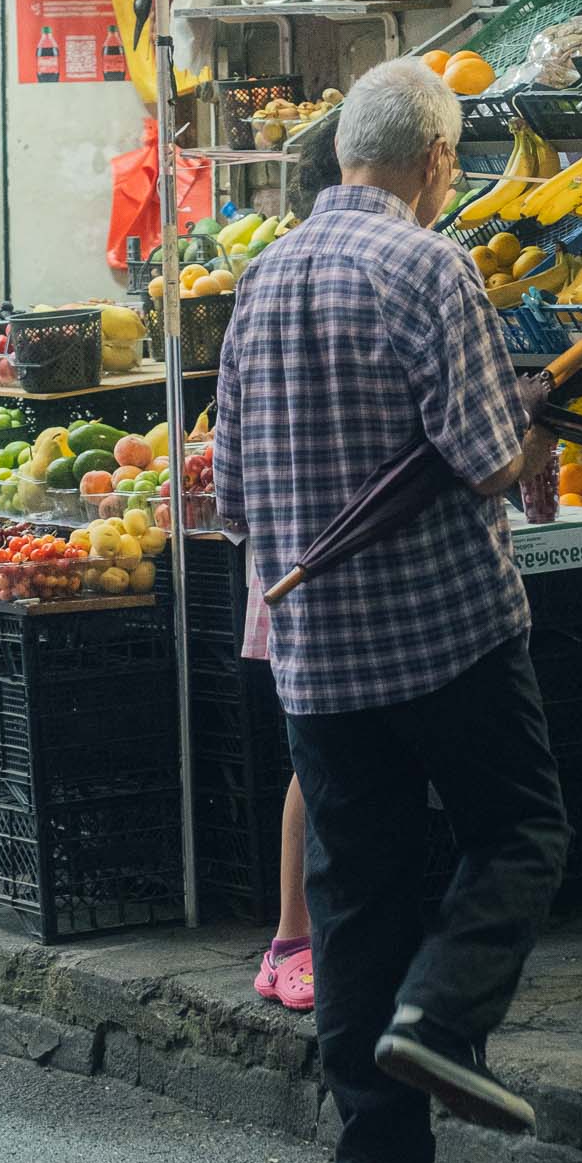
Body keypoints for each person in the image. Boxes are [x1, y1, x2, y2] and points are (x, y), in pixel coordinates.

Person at [214, 58, 569, 1163]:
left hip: (315, 652)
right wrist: (529, 420)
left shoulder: (260, 279)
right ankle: (443, 1016)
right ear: (431, 161)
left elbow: (232, 498)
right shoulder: (430, 264)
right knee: (518, 826)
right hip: (444, 631)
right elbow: (484, 460)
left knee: (358, 894)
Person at [246, 114, 343, 1017]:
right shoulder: (289, 276)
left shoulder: (281, 269)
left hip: (291, 552)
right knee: (314, 756)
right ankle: (291, 936)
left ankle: (314, 932)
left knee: (326, 752)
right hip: (303, 560)